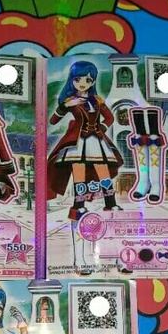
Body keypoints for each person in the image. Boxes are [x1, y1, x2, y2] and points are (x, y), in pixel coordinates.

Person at [46, 60, 124, 271]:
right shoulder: (70, 100)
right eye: (78, 79)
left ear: (93, 81)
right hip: (78, 143)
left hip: (96, 140)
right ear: (72, 80)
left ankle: (110, 201)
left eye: (88, 79)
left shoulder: (97, 100)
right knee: (79, 172)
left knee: (103, 169)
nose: (83, 83)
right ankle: (79, 203)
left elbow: (109, 117)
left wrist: (102, 127)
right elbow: (53, 121)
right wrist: (64, 106)